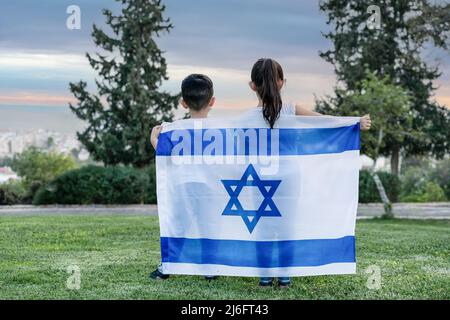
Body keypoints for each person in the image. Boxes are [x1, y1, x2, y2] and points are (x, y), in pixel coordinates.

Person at [248, 58, 371, 288]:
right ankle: (284, 275)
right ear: (282, 82)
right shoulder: (292, 109)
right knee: (287, 225)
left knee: (262, 226)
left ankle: (265, 275)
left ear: (252, 86)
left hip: (259, 180)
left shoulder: (247, 118)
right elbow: (324, 122)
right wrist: (354, 122)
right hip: (290, 179)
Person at [149, 73, 217, 281]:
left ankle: (168, 266)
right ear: (212, 101)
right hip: (209, 188)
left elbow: (166, 156)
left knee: (177, 227)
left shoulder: (175, 129)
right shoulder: (219, 130)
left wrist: (154, 138)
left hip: (182, 186)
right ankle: (211, 269)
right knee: (209, 228)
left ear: (183, 103)